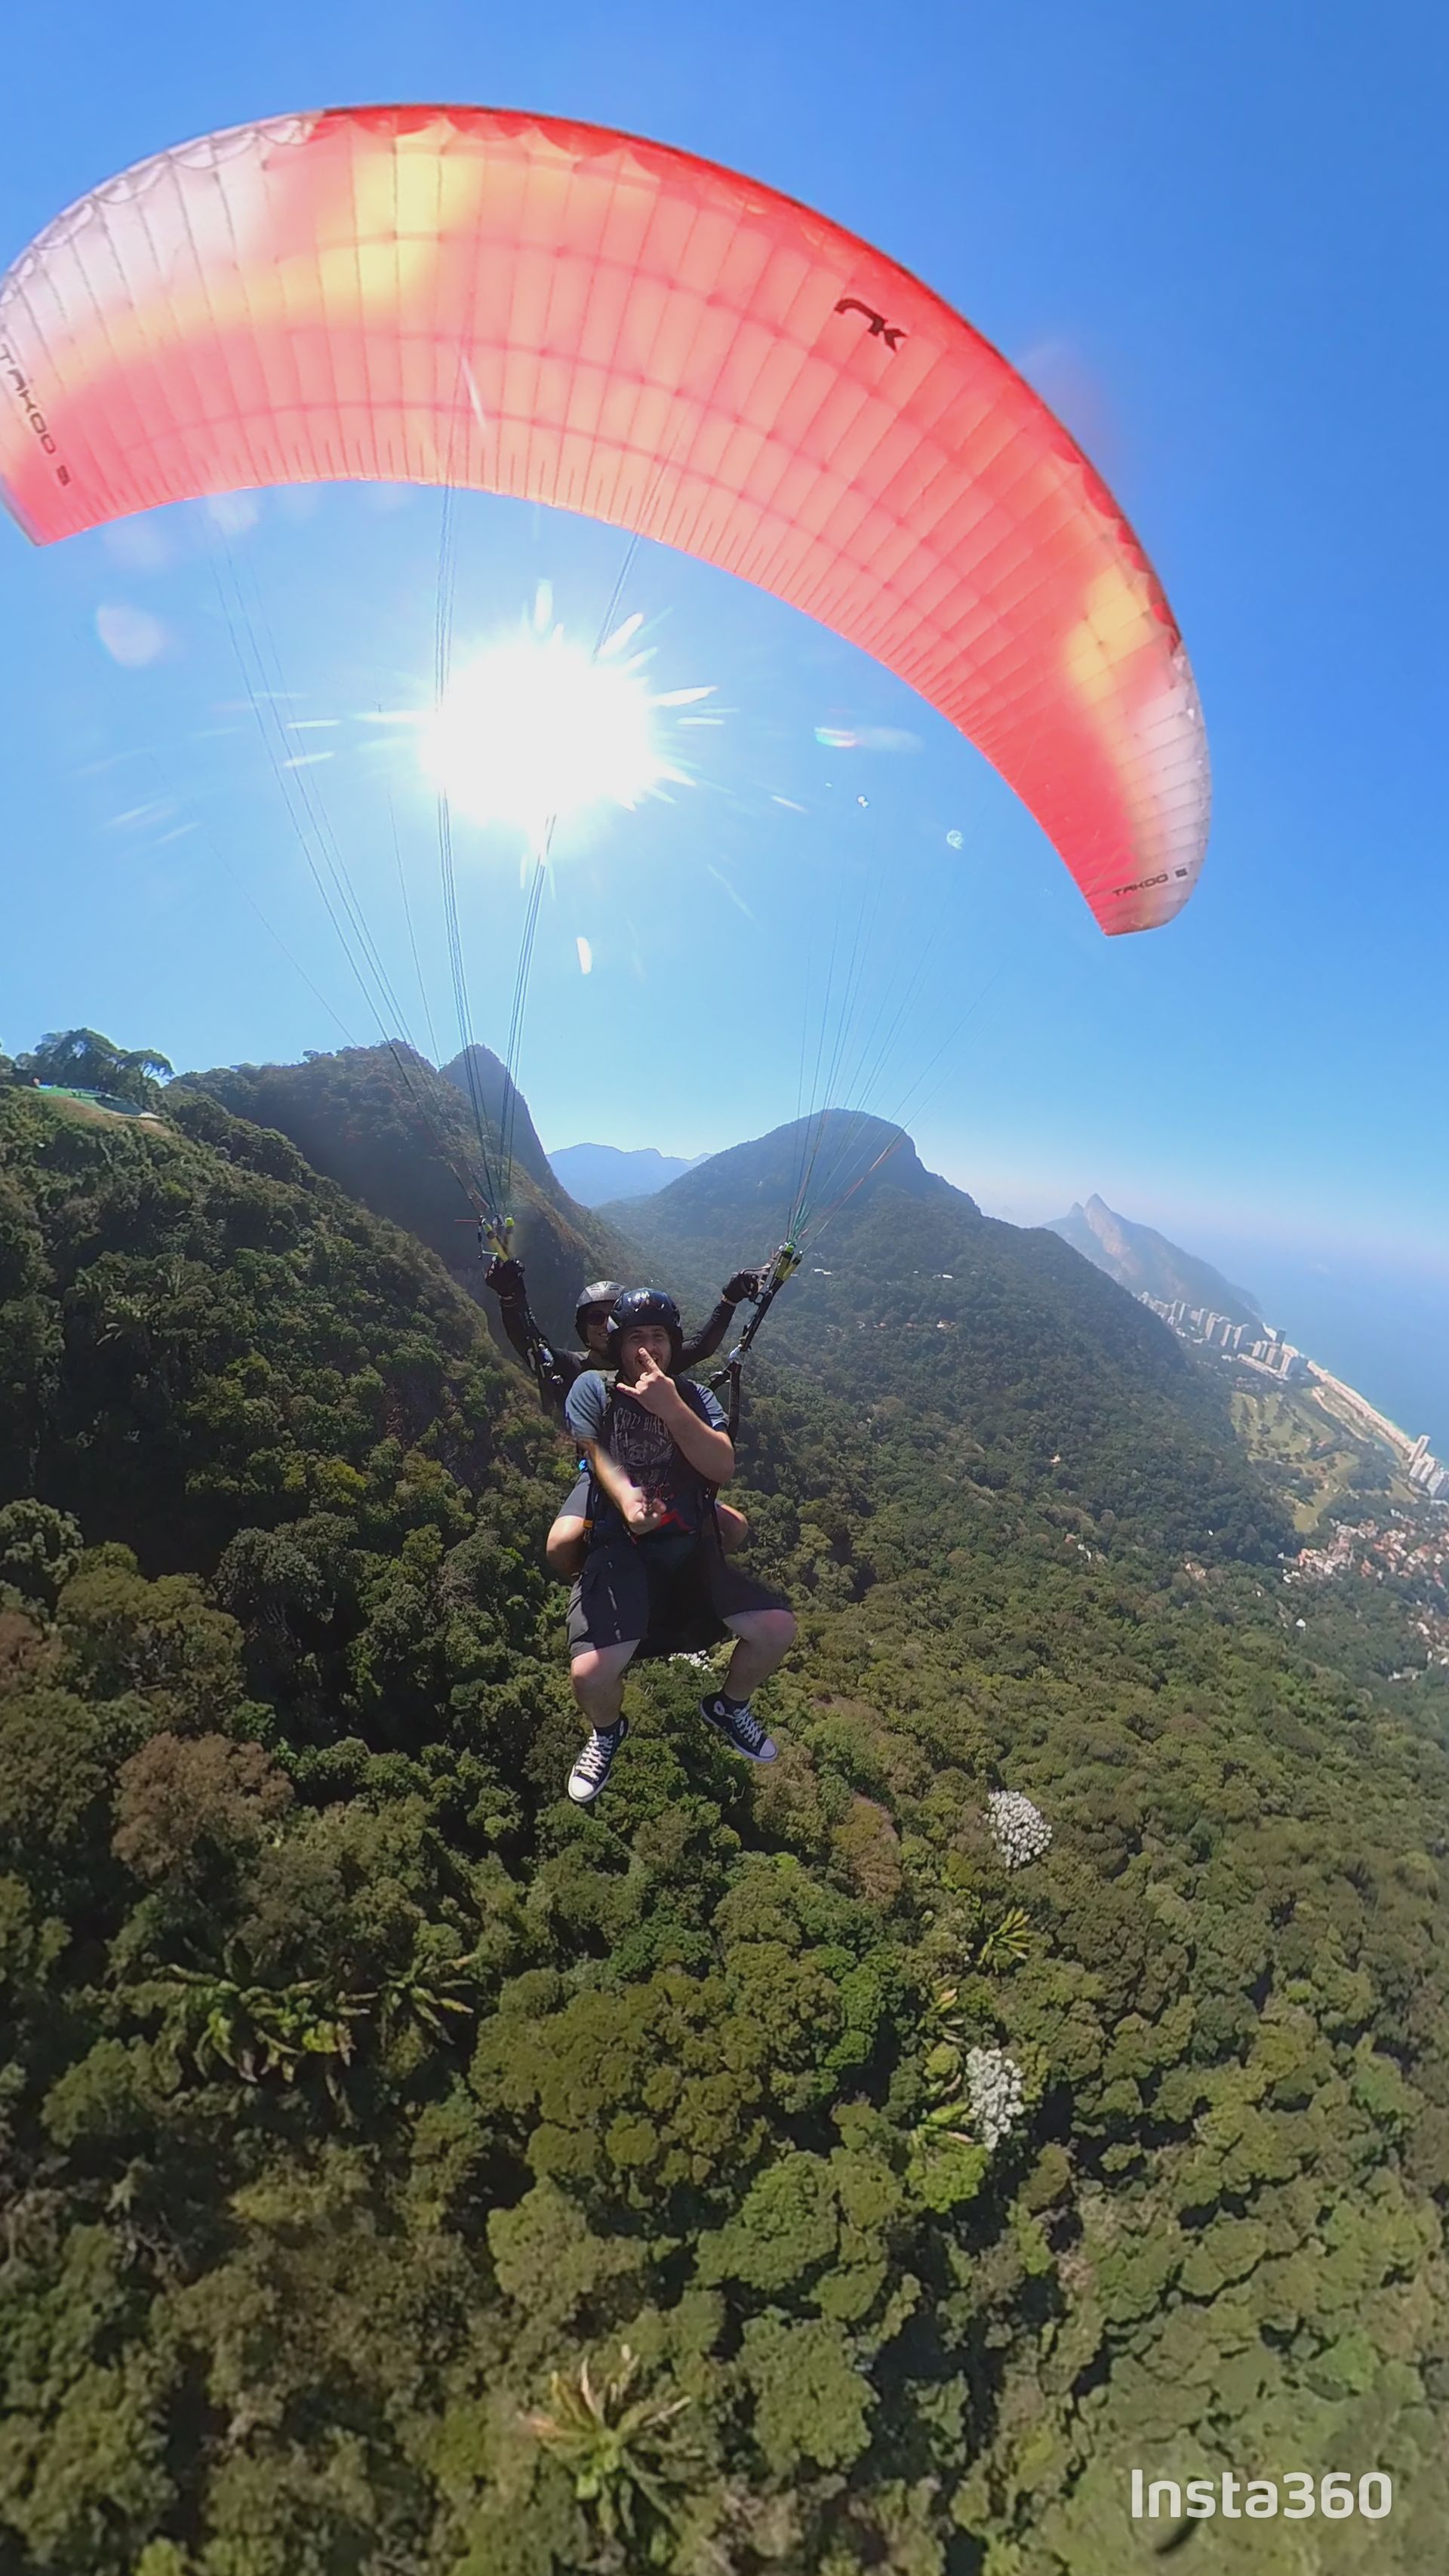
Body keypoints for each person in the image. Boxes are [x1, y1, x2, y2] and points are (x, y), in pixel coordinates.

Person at [561, 1288, 796, 1804]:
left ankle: (730, 1706)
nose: (649, 1348)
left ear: (673, 1344)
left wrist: (670, 1408)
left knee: (778, 1629)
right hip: (621, 1544)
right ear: (619, 1344)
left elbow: (721, 1466)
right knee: (590, 1673)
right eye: (637, 1337)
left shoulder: (692, 1397)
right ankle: (607, 1731)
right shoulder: (593, 1389)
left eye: (660, 1337)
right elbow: (593, 1451)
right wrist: (624, 1498)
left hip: (688, 1543)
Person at [484, 1257, 758, 1574]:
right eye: (595, 1317)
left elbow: (702, 1346)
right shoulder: (576, 1368)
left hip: (666, 1472)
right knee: (560, 1545)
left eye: (612, 1315)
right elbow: (532, 1347)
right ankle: (594, 1576)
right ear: (583, 1330)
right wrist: (510, 1298)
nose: (604, 1324)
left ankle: (689, 1573)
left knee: (734, 1527)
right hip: (603, 1470)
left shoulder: (649, 1364)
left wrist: (730, 1298)